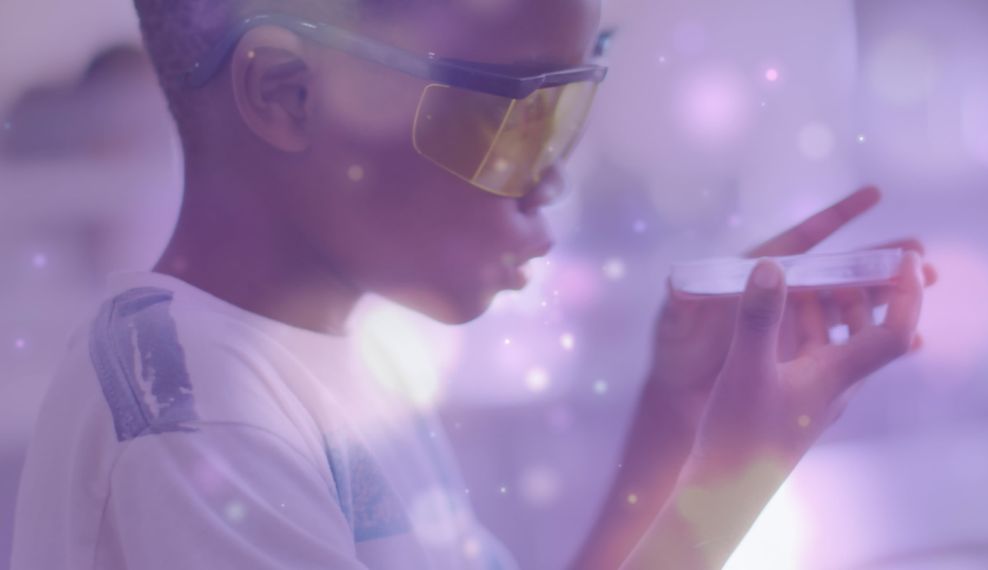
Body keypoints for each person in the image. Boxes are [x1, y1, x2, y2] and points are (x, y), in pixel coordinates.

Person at [10, 1, 935, 568]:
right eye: (520, 115)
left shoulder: (340, 374)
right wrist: (737, 475)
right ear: (289, 94)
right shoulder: (200, 416)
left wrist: (677, 419)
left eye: (572, 109)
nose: (550, 179)